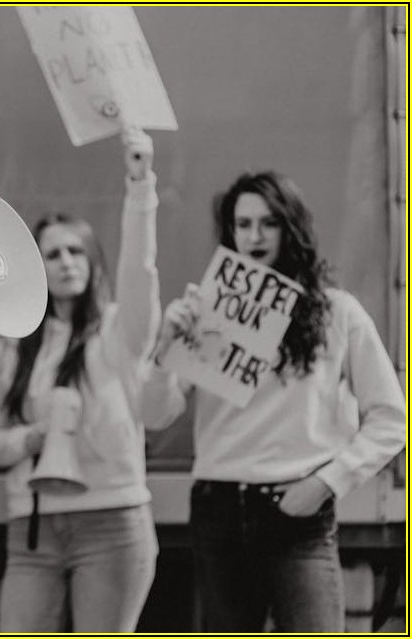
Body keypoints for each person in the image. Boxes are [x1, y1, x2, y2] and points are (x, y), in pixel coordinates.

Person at [143, 170, 406, 632]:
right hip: (220, 508)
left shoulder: (336, 311)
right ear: (230, 232)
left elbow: (391, 418)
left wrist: (326, 482)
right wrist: (164, 351)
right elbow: (154, 415)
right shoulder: (209, 309)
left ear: (292, 228)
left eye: (269, 223)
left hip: (299, 508)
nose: (255, 236)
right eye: (243, 224)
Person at [0, 127, 161, 632]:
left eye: (76, 252)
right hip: (32, 526)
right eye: (53, 254)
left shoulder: (119, 332)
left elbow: (140, 271)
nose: (66, 263)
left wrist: (140, 186)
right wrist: (29, 439)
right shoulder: (13, 345)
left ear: (92, 260)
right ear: (34, 268)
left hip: (112, 521)